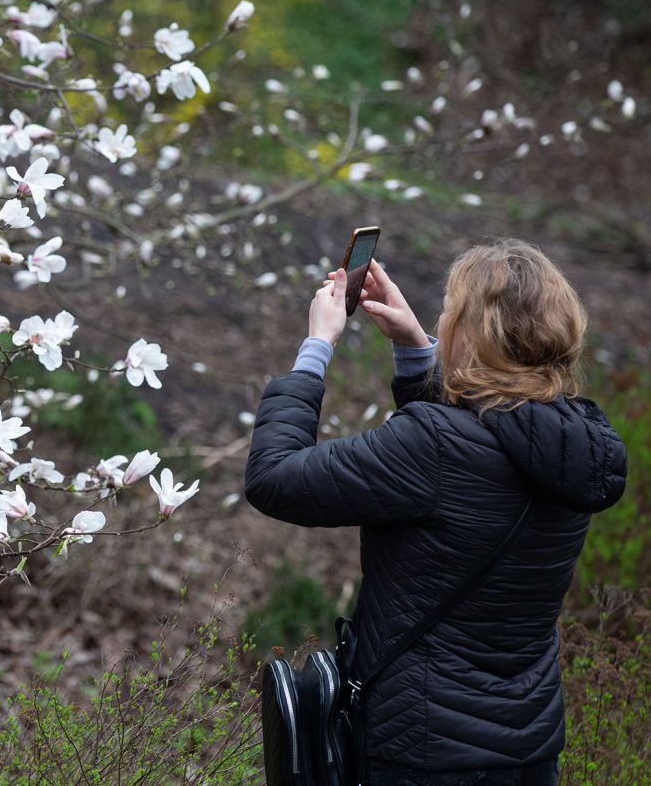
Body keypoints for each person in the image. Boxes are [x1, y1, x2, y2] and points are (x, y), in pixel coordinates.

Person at [244, 240, 627, 785]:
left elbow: (274, 478)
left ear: (473, 334)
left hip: (422, 752)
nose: (441, 318)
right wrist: (416, 348)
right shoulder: (579, 444)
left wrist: (316, 346)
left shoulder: (435, 446)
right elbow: (479, 444)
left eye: (450, 309)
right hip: (528, 751)